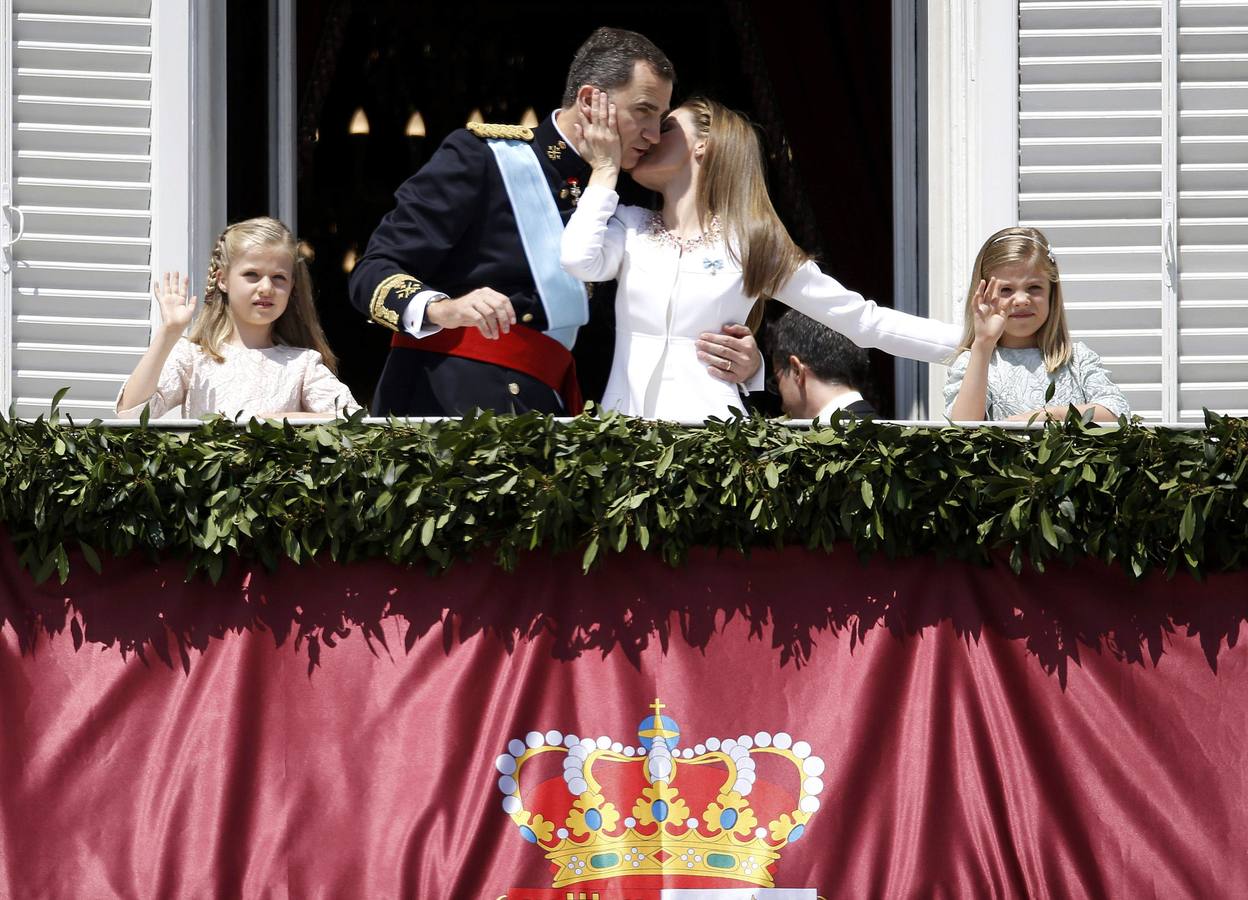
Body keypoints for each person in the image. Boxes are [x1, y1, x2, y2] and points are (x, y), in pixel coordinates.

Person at [348, 27, 762, 416]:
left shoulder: (631, 193)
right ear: (588, 101)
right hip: (447, 407)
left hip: (555, 419)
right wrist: (441, 308)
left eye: (662, 118)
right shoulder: (484, 158)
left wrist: (744, 363)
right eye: (643, 112)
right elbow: (373, 273)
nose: (654, 134)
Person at [559, 95, 961, 420]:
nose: (649, 137)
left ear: (705, 144)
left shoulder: (752, 243)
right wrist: (605, 169)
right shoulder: (628, 225)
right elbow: (579, 260)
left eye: (666, 127)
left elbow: (862, 320)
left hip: (713, 447)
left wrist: (976, 344)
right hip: (625, 444)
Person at [116, 217, 360, 419]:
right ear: (223, 280)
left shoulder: (302, 364)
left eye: (278, 278)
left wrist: (276, 421)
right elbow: (131, 414)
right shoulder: (194, 356)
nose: (266, 287)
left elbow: (354, 421)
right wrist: (169, 332)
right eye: (252, 275)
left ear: (292, 286)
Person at [943, 226, 1130, 422]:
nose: (1022, 299)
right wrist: (983, 345)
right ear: (982, 294)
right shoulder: (974, 361)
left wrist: (1045, 417)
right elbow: (962, 429)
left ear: (1052, 292)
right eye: (1006, 290)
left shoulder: (1077, 360)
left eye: (1034, 287)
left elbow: (1118, 413)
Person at [768, 309, 877, 419]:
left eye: (776, 382)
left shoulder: (834, 434)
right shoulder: (890, 431)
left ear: (796, 370)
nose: (783, 407)